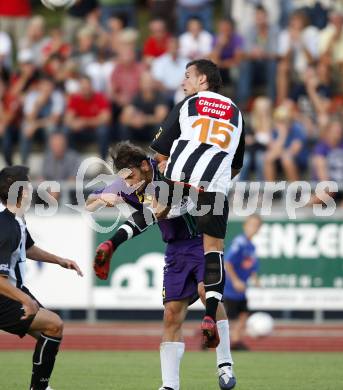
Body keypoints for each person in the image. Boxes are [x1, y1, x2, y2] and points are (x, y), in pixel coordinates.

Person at [87, 142, 236, 390]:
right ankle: (170, 385)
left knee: (204, 292)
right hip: (175, 250)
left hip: (202, 239)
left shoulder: (170, 171)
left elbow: (157, 211)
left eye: (131, 175)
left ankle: (224, 365)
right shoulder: (126, 182)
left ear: (145, 165)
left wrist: (113, 242)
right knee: (171, 315)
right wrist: (102, 196)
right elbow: (88, 202)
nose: (128, 183)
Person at [150, 59, 245, 347]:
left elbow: (158, 153)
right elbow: (236, 165)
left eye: (187, 76)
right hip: (214, 188)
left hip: (181, 181)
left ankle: (116, 238)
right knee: (214, 250)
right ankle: (209, 317)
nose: (183, 82)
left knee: (154, 209)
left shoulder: (189, 104)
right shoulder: (237, 113)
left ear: (202, 80)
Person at [0, 165, 83, 390]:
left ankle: (39, 387)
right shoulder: (5, 227)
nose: (31, 187)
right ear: (20, 191)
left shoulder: (17, 220)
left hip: (14, 293)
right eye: (27, 184)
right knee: (54, 325)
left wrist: (60, 260)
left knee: (51, 330)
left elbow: (28, 248)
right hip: (4, 297)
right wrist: (26, 300)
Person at [223, 214, 262, 351]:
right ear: (245, 226)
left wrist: (255, 278)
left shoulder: (251, 246)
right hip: (231, 288)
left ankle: (235, 341)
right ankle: (209, 338)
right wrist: (235, 281)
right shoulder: (240, 242)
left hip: (241, 290)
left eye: (256, 226)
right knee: (227, 317)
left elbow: (251, 266)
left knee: (243, 315)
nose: (253, 228)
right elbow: (228, 262)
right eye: (251, 225)